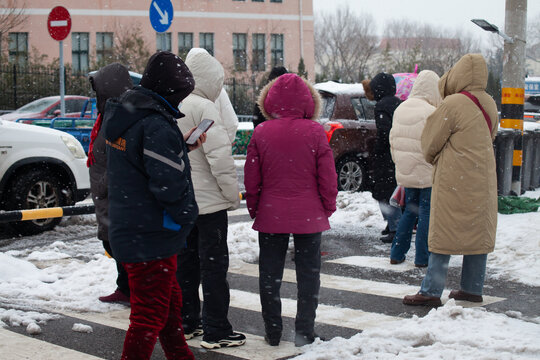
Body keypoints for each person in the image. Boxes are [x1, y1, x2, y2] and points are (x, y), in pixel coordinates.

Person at [102, 51, 204, 360]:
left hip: (132, 228)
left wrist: (178, 146)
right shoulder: (156, 125)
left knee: (169, 306)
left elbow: (139, 160)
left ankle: (180, 356)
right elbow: (169, 186)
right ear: (170, 92)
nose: (182, 103)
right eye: (181, 96)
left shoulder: (127, 114)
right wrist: (188, 216)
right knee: (148, 317)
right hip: (151, 235)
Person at [244, 73, 338, 347]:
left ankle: (273, 331)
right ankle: (304, 332)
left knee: (269, 275)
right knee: (308, 276)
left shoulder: (261, 131)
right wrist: (327, 207)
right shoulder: (315, 132)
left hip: (271, 213)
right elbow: (327, 176)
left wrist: (255, 207)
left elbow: (252, 177)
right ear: (309, 101)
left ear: (270, 100)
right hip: (308, 214)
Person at [403, 53, 498, 307]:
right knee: (477, 234)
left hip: (454, 180)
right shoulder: (489, 102)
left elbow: (430, 143)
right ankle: (472, 288)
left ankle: (431, 291)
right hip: (483, 179)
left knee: (443, 233)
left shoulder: (453, 103)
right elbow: (492, 135)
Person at [175, 48, 245, 349]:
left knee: (186, 266)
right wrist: (232, 196)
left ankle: (188, 322)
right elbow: (219, 158)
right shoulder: (205, 107)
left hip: (185, 202)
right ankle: (217, 329)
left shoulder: (175, 105)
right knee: (214, 268)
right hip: (211, 207)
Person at [87, 63, 133, 305]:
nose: (95, 97)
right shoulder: (106, 113)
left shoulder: (118, 115)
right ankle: (124, 287)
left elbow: (118, 156)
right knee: (111, 241)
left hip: (112, 191)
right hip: (105, 192)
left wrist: (104, 183)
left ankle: (132, 289)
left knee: (117, 243)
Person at [389, 70, 441, 267]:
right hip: (426, 170)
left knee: (410, 211)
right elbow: (435, 143)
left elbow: (392, 139)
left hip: (406, 170)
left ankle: (397, 253)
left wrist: (400, 163)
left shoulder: (401, 108)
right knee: (426, 211)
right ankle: (422, 258)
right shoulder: (431, 111)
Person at [369, 73, 402, 243]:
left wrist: (378, 150)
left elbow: (384, 132)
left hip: (385, 156)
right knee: (393, 190)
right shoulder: (399, 103)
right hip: (397, 154)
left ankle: (394, 227)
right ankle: (393, 225)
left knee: (384, 192)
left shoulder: (381, 106)